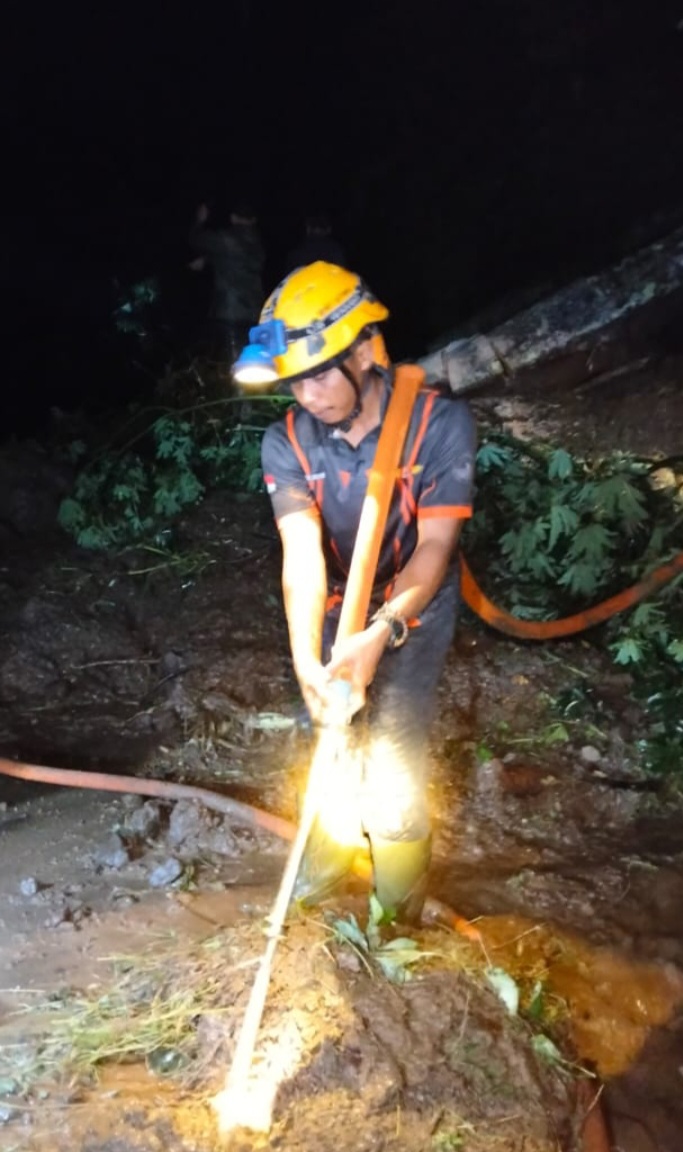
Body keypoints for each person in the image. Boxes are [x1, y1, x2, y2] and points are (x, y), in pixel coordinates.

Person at [235, 262, 476, 920]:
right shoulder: (285, 442)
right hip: (339, 601)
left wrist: (380, 635)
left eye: (319, 373)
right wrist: (307, 663)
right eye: (295, 379)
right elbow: (302, 557)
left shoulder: (437, 425)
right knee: (333, 741)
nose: (308, 394)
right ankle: (324, 871)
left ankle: (395, 913)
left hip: (413, 607)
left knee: (394, 753)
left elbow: (433, 549)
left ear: (365, 351)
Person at [188, 201, 266, 361]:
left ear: (232, 218)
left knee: (233, 362)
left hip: (230, 313)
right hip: (256, 311)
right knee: (255, 359)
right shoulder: (257, 240)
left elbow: (195, 239)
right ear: (253, 220)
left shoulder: (226, 239)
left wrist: (200, 220)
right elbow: (238, 258)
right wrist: (209, 259)